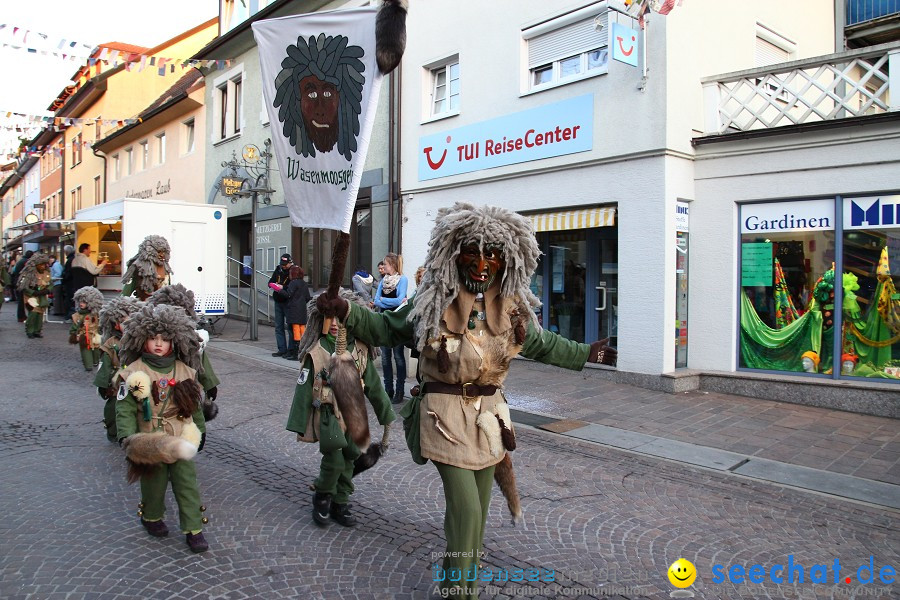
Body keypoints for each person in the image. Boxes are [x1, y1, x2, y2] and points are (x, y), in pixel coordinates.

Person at [316, 203, 617, 600]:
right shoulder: (433, 302)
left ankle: (455, 582)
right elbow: (386, 328)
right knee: (467, 510)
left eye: (491, 254)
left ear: (505, 259)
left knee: (477, 516)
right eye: (472, 252)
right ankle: (461, 594)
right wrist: (348, 312)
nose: (481, 264)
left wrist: (585, 353)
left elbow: (542, 344)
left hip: (489, 421)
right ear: (453, 254)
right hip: (442, 417)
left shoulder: (510, 307)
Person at [286, 290, 395, 527]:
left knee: (351, 456)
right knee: (334, 459)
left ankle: (341, 500)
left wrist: (385, 412)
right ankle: (323, 497)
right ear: (320, 319)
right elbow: (304, 386)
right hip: (328, 414)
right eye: (329, 318)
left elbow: (373, 385)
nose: (335, 324)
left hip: (354, 412)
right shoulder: (316, 352)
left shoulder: (361, 350)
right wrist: (298, 421)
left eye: (339, 317)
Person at [114, 303, 209, 553]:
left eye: (165, 339)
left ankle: (193, 528)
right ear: (141, 339)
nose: (159, 344)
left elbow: (194, 406)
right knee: (153, 484)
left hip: (180, 436)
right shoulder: (133, 372)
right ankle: (152, 516)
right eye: (153, 338)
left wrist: (200, 431)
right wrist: (126, 436)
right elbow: (124, 408)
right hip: (150, 439)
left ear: (174, 341)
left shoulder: (185, 370)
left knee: (187, 483)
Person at [145, 283, 220, 420]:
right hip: (158, 386)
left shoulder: (191, 340)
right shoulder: (151, 339)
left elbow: (200, 361)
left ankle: (197, 434)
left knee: (191, 407)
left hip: (185, 383)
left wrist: (210, 384)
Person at [95, 295, 144, 442]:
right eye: (123, 322)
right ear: (116, 324)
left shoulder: (140, 342)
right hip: (118, 383)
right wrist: (103, 384)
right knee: (112, 409)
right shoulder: (111, 343)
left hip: (137, 380)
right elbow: (105, 363)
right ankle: (113, 431)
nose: (127, 324)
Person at [373, 252, 408, 404]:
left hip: (397, 323)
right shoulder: (383, 281)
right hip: (384, 322)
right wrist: (387, 301)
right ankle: (388, 389)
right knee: (386, 358)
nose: (383, 267)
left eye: (385, 264)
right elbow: (375, 301)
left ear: (392, 265)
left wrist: (383, 300)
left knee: (399, 357)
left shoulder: (403, 279)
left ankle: (400, 390)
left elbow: (400, 300)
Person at [121, 235, 172, 300]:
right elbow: (125, 293)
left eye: (164, 252)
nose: (162, 255)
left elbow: (169, 290)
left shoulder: (166, 268)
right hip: (144, 306)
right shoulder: (139, 268)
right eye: (159, 252)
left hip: (163, 307)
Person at [69, 286, 105, 371]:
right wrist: (74, 333)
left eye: (84, 302)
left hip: (94, 335)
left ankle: (96, 361)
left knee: (96, 350)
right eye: (80, 302)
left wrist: (101, 332)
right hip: (84, 336)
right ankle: (88, 365)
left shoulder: (96, 315)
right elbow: (75, 326)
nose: (81, 304)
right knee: (85, 351)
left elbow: (100, 324)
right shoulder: (77, 315)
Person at [16, 252, 51, 338]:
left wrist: (48, 290)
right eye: (41, 265)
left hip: (42, 295)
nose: (43, 266)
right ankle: (30, 330)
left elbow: (50, 283)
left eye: (44, 264)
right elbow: (23, 285)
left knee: (40, 314)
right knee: (33, 313)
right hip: (31, 296)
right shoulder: (29, 273)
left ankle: (37, 331)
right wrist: (33, 292)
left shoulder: (46, 272)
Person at [283, 265, 312, 360]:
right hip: (302, 309)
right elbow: (308, 297)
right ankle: (304, 351)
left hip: (294, 310)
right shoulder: (304, 283)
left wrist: (279, 290)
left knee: (295, 331)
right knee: (302, 330)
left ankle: (296, 353)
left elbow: (288, 294)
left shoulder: (293, 283)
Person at [268, 253, 294, 358]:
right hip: (278, 300)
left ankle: (291, 349)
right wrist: (273, 285)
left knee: (290, 327)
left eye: (285, 264)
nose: (283, 266)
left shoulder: (293, 271)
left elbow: (293, 287)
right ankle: (281, 349)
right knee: (278, 326)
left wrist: (282, 287)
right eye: (282, 264)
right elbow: (270, 281)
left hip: (288, 302)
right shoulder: (278, 269)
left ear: (290, 262)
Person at [12, 250, 34, 323]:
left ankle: (21, 316)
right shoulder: (27, 262)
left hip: (18, 282)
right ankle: (23, 316)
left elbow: (14, 271)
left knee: (21, 300)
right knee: (24, 300)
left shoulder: (21, 261)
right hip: (23, 283)